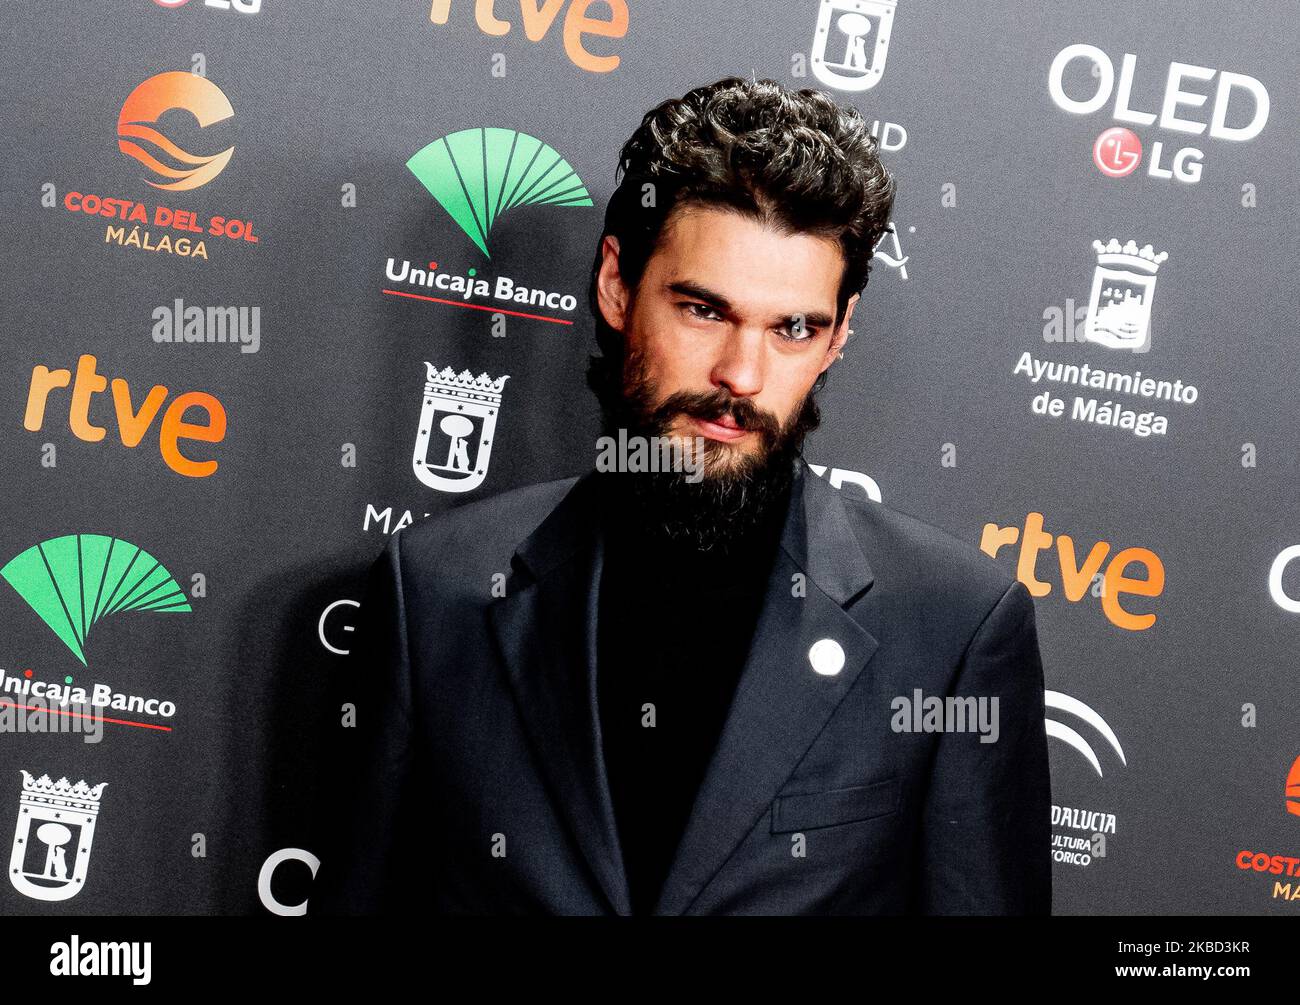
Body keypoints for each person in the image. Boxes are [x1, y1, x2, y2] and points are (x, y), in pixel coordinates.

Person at [309, 76, 1051, 916]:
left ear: (839, 337)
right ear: (618, 286)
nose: (742, 374)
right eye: (704, 309)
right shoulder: (436, 588)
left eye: (793, 328)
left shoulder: (951, 627)